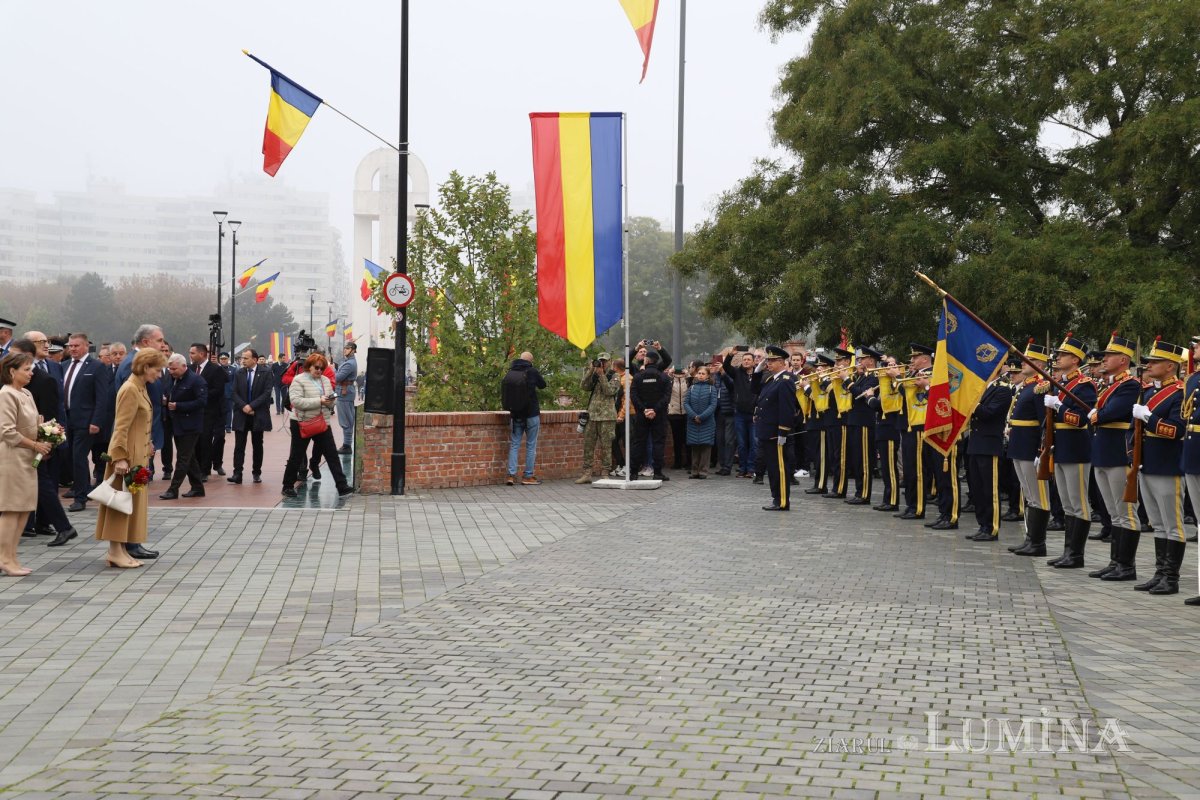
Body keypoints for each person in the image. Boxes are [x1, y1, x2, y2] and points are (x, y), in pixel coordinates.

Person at [95, 348, 166, 568]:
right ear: (145, 367)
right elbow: (121, 427)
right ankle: (115, 551)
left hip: (137, 456)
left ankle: (122, 550)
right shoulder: (130, 389)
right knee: (119, 503)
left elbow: (139, 422)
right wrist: (119, 458)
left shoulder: (140, 387)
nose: (159, 375)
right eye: (157, 370)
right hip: (126, 458)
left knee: (130, 504)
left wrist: (148, 442)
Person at [1131, 339, 1188, 595]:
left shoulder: (1179, 393)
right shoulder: (1148, 392)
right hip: (1148, 463)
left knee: (1172, 523)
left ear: (1170, 366)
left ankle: (1171, 578)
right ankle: (1160, 573)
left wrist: (1149, 417)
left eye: (1155, 362)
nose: (1149, 365)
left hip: (1167, 464)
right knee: (1158, 522)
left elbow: (1176, 430)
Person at [8, 336, 76, 546]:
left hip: (32, 447)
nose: (9, 358)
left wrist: (44, 444)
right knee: (40, 485)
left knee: (43, 485)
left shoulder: (41, 382)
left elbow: (47, 415)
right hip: (24, 446)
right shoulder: (13, 385)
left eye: (14, 355)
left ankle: (61, 526)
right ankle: (53, 526)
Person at [1085, 334, 1141, 580]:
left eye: (1109, 356)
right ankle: (1115, 561)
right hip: (1102, 450)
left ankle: (1126, 566)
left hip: (1118, 452)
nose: (1104, 359)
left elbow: (1113, 412)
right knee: (1113, 511)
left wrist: (1096, 414)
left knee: (1125, 511)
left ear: (1123, 360)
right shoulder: (1109, 385)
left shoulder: (1130, 385)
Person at [1042, 333, 1098, 568]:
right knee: (1066, 503)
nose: (1058, 358)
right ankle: (1068, 552)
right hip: (1061, 447)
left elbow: (1081, 419)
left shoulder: (1084, 385)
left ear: (1075, 360)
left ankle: (1076, 555)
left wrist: (1059, 406)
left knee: (1078, 502)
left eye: (1063, 355)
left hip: (1076, 448)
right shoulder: (1062, 384)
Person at [0, 352, 51, 576]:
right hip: (12, 458)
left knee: (24, 509)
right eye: (27, 369)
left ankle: (12, 557)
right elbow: (7, 431)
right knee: (12, 509)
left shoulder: (26, 393)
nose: (31, 373)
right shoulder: (6, 394)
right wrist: (35, 445)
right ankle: (4, 558)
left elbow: (32, 423)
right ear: (12, 371)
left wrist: (47, 433)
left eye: (31, 369)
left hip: (28, 458)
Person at [282, 353, 354, 498]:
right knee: (297, 454)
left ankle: (342, 486)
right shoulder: (298, 380)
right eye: (317, 367)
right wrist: (319, 401)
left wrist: (330, 401)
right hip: (302, 422)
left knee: (332, 454)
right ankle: (287, 486)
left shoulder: (325, 380)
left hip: (322, 422)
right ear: (309, 366)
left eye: (322, 368)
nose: (319, 370)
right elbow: (296, 401)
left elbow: (332, 400)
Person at [1007, 342, 1053, 556]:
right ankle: (1030, 539)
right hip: (1019, 444)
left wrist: (1040, 451)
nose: (1023, 363)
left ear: (1039, 365)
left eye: (1029, 360)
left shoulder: (1041, 386)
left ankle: (1038, 543)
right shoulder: (1027, 386)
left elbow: (1044, 422)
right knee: (1029, 495)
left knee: (1038, 495)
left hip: (1030, 447)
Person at [62, 332, 114, 512]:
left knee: (78, 457)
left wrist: (97, 421)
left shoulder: (97, 366)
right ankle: (81, 488)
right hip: (66, 420)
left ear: (86, 346)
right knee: (69, 456)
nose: (72, 349)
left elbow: (102, 397)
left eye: (76, 346)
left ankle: (80, 497)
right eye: (70, 346)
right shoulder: (64, 365)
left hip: (86, 421)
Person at [963, 369, 1012, 541]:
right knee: (977, 489)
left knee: (989, 489)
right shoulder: (981, 388)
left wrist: (972, 402)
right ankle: (982, 525)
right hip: (975, 444)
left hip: (989, 445)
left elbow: (989, 413)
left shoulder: (1003, 390)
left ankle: (992, 527)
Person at [158, 353, 207, 502]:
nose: (171, 371)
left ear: (184, 366)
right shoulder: (171, 379)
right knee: (189, 457)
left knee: (183, 458)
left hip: (190, 425)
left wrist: (179, 406)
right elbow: (167, 393)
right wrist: (166, 400)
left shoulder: (196, 380)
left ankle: (173, 490)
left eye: (174, 369)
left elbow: (202, 402)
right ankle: (198, 488)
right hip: (175, 423)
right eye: (169, 368)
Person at [756, 346, 798, 510]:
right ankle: (776, 499)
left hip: (776, 432)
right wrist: (758, 371)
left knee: (779, 468)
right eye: (768, 361)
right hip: (767, 431)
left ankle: (782, 501)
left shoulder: (785, 381)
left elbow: (787, 409)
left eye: (772, 361)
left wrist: (783, 431)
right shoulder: (772, 380)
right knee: (773, 468)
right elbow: (755, 390)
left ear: (781, 362)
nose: (769, 364)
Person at [503, 351, 547, 486]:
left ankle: (511, 475)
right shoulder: (532, 371)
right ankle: (528, 476)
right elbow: (543, 385)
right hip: (531, 414)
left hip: (516, 414)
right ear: (530, 361)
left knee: (514, 444)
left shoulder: (510, 372)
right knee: (531, 445)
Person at [229, 349, 273, 484]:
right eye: (242, 358)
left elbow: (267, 393)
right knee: (239, 446)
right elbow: (234, 392)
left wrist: (252, 406)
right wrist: (244, 406)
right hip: (241, 413)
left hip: (257, 414)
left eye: (246, 358)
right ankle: (237, 473)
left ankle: (256, 472)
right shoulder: (239, 373)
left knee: (257, 445)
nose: (243, 361)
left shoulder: (265, 372)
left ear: (254, 359)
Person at [576, 353, 619, 484]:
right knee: (588, 445)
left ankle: (605, 472)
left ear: (610, 361)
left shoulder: (614, 375)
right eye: (600, 361)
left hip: (607, 417)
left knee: (606, 446)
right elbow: (583, 387)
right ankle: (587, 473)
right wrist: (591, 371)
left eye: (604, 361)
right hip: (592, 415)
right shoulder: (594, 374)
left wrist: (601, 375)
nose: (602, 363)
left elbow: (610, 391)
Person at [629, 350, 671, 481]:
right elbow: (666, 397)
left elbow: (633, 396)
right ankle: (657, 472)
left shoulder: (638, 377)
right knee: (658, 443)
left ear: (646, 361)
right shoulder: (664, 377)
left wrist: (644, 410)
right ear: (657, 361)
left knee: (638, 442)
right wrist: (655, 410)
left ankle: (633, 472)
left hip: (642, 415)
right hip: (659, 415)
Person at [189, 343, 228, 479]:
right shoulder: (191, 368)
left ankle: (205, 470)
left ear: (201, 354)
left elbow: (218, 390)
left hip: (211, 411)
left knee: (207, 439)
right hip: (194, 411)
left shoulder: (215, 369)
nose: (190, 355)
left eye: (192, 353)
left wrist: (200, 395)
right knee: (197, 440)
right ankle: (198, 468)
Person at [721, 348, 760, 478]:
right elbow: (726, 367)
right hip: (740, 414)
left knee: (754, 443)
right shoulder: (737, 373)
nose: (746, 361)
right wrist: (730, 355)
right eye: (744, 360)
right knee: (742, 444)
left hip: (754, 415)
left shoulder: (758, 374)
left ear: (754, 362)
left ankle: (751, 468)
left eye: (749, 359)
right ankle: (742, 468)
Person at [684, 365, 718, 479]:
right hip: (693, 421)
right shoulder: (691, 388)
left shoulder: (712, 389)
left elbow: (713, 405)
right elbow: (686, 403)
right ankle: (694, 471)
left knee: (705, 447)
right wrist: (694, 416)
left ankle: (703, 471)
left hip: (707, 422)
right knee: (695, 447)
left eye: (703, 374)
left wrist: (701, 417)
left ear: (708, 376)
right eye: (699, 373)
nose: (701, 375)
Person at [334, 342, 358, 454]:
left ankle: (347, 446)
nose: (345, 350)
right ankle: (346, 445)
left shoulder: (349, 364)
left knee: (346, 420)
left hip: (345, 393)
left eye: (348, 348)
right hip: (344, 392)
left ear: (353, 350)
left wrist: (332, 369)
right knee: (346, 419)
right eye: (345, 348)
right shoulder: (348, 362)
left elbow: (337, 377)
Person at [666, 367, 690, 471]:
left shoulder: (688, 381)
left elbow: (694, 383)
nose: (679, 373)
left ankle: (689, 462)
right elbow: (665, 387)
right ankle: (677, 462)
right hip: (673, 413)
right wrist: (669, 375)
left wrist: (688, 375)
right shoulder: (670, 381)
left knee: (687, 438)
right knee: (676, 439)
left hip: (686, 413)